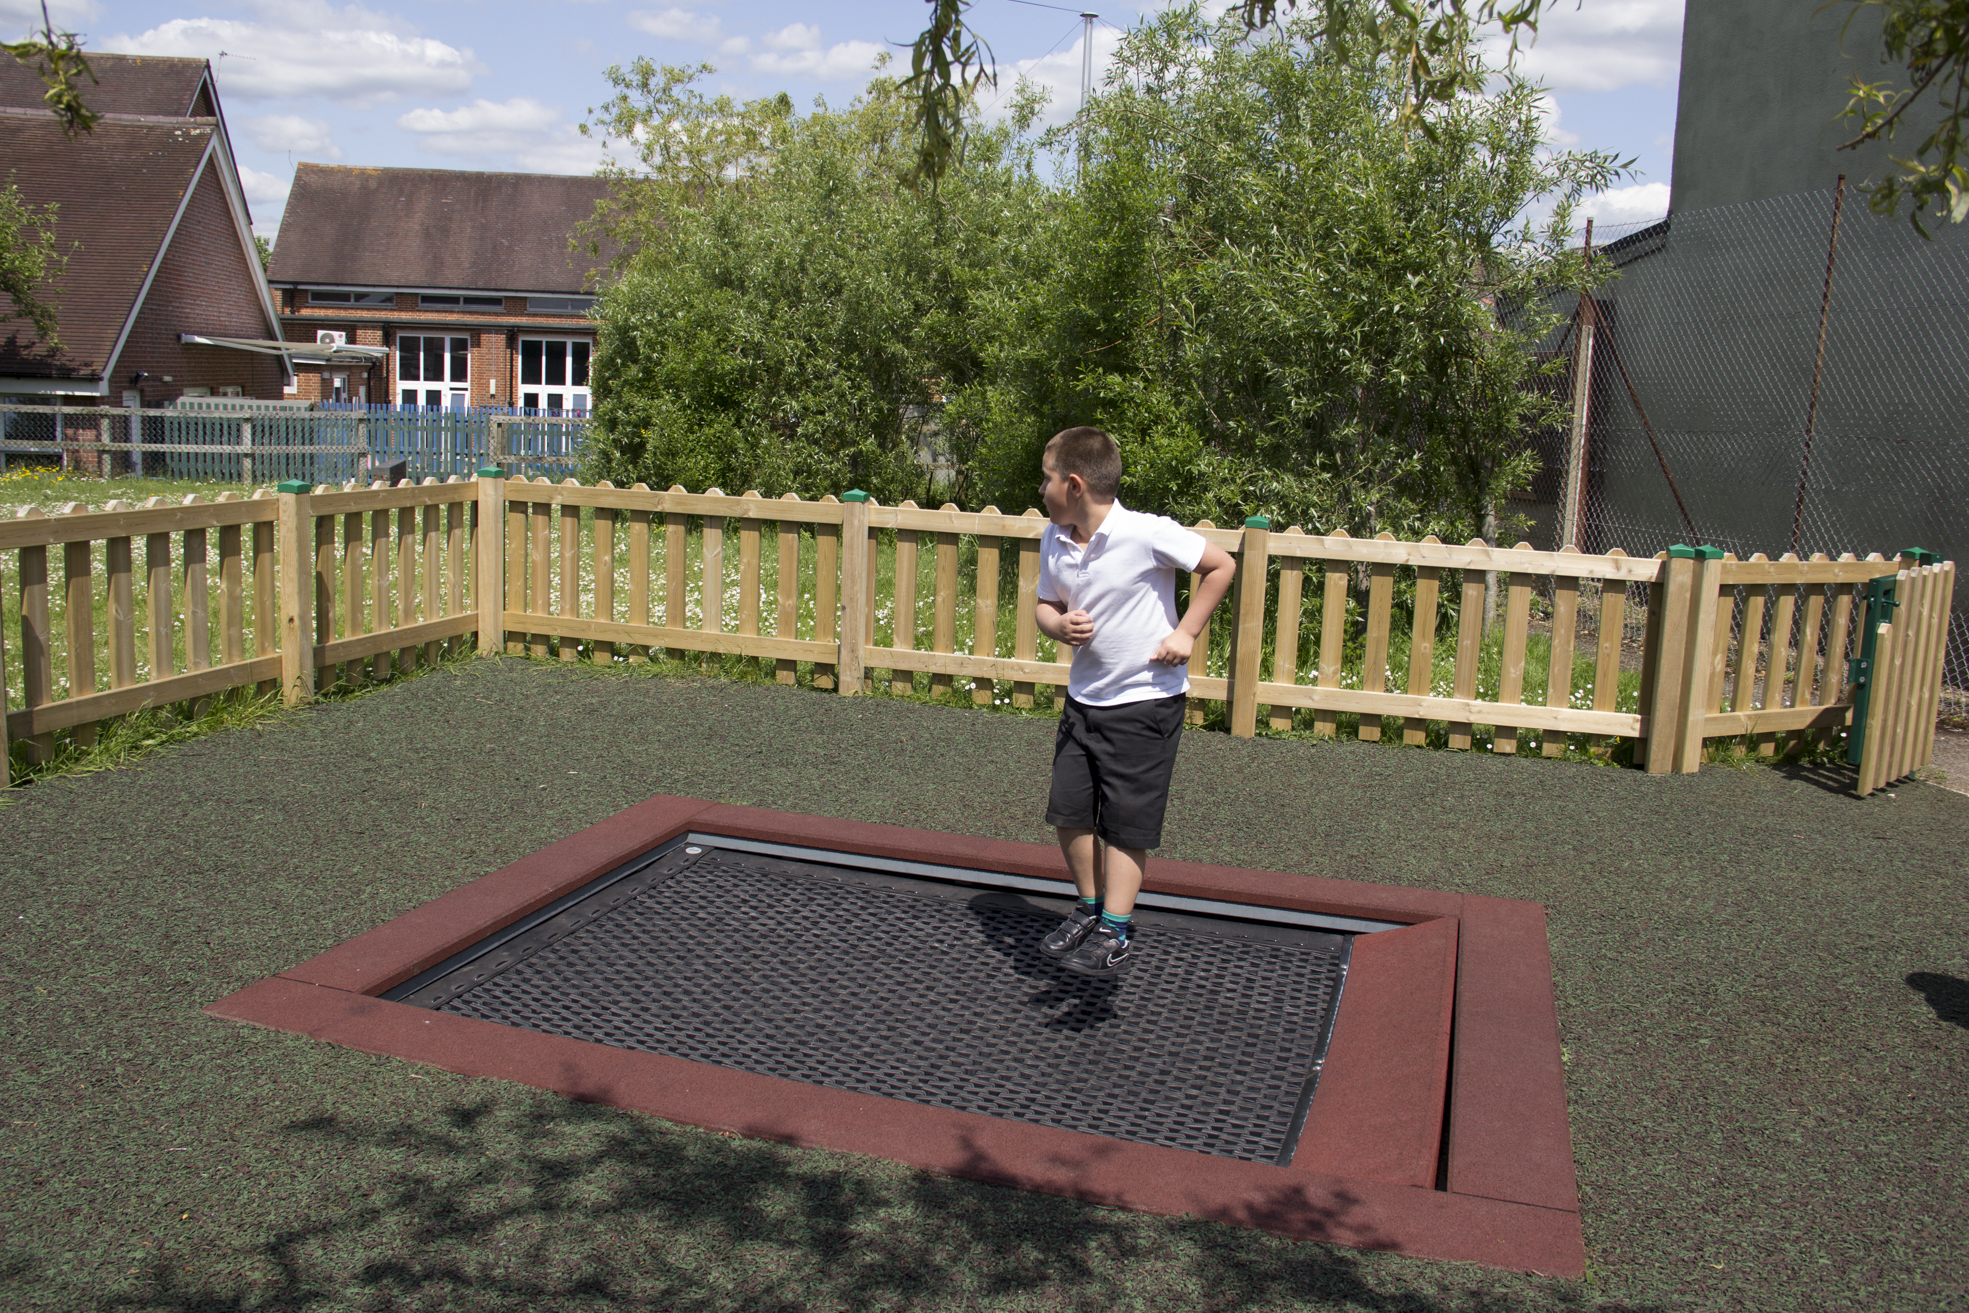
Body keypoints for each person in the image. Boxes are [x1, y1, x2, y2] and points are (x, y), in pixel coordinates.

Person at [1032, 426, 1237, 978]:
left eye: (1046, 479)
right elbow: (1045, 603)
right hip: (1084, 700)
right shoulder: (1055, 535)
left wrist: (1187, 633)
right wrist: (1058, 625)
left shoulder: (1146, 534)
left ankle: (1116, 931)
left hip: (1145, 703)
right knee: (1070, 812)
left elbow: (1221, 567)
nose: (1041, 489)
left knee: (1126, 823)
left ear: (1073, 484)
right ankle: (1090, 908)